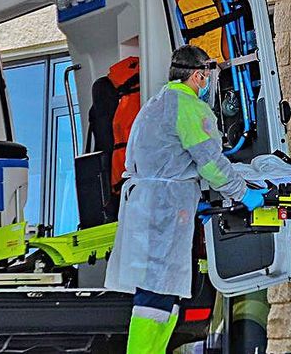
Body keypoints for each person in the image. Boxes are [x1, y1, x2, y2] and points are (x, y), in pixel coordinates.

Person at [105, 44, 268, 353]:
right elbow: (211, 164)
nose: (208, 83)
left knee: (160, 294)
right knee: (157, 295)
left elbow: (169, 161)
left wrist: (197, 203)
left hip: (152, 205)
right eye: (207, 76)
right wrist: (243, 193)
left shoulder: (155, 104)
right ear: (198, 75)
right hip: (164, 211)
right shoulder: (189, 108)